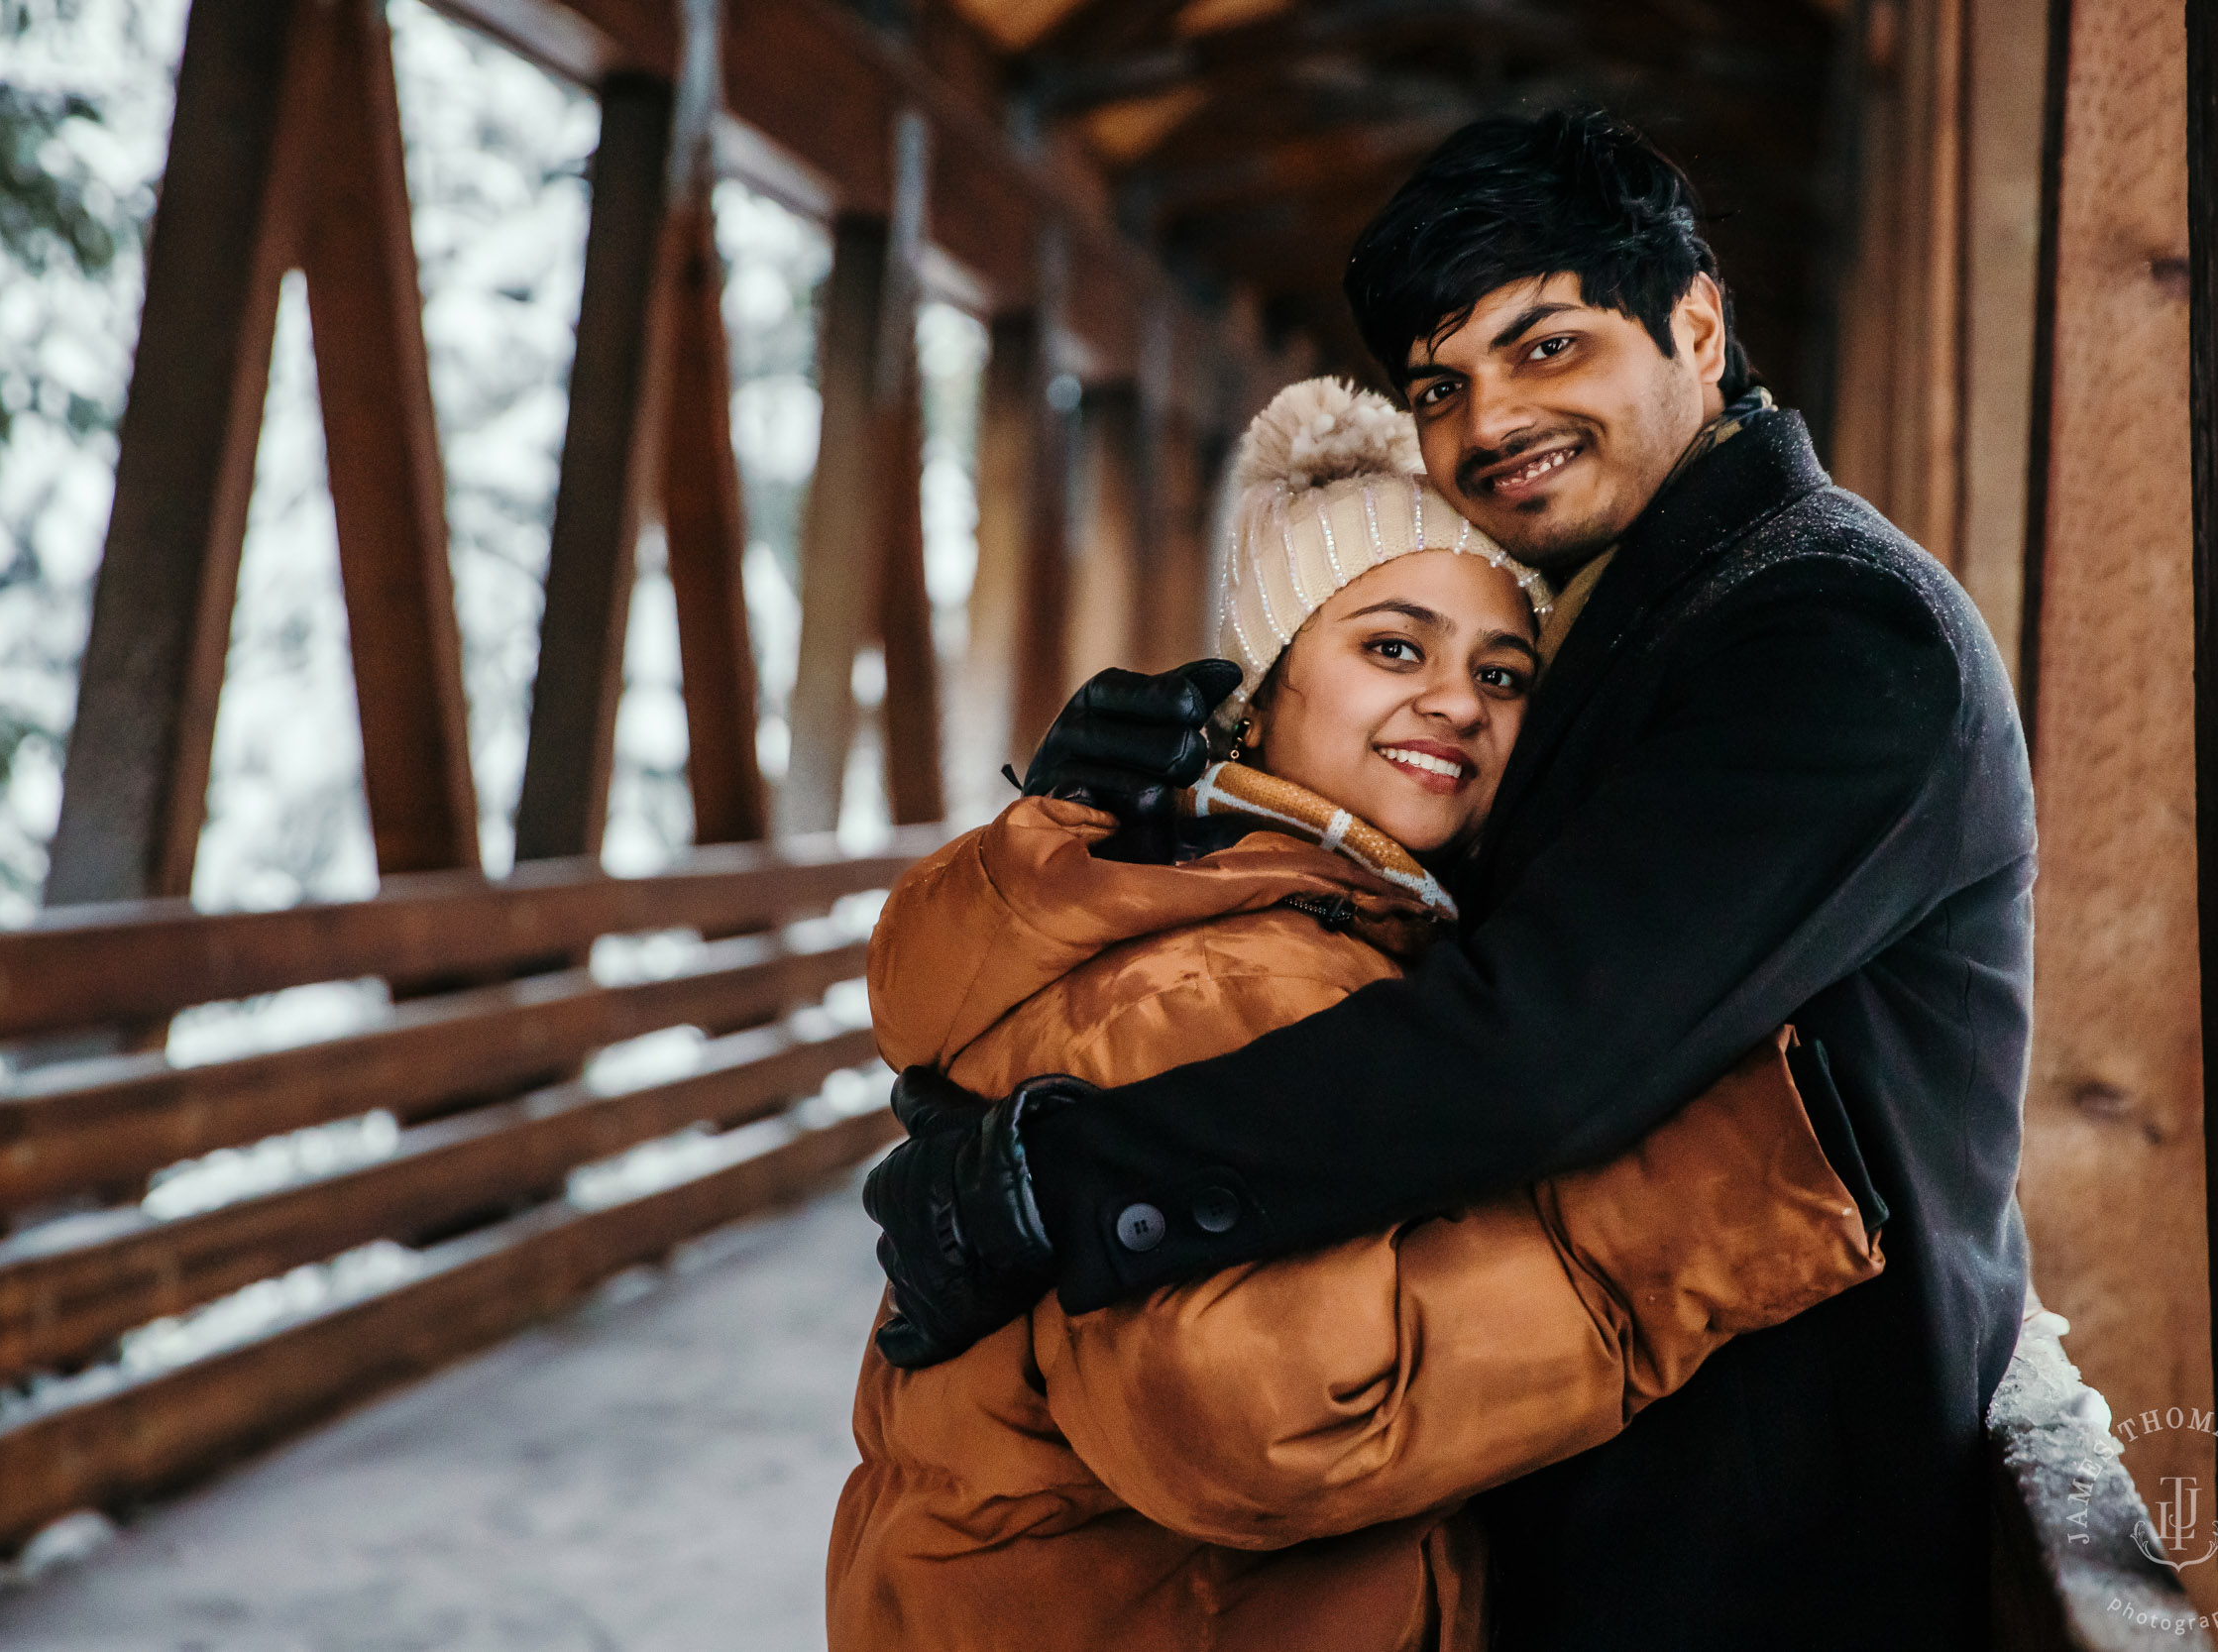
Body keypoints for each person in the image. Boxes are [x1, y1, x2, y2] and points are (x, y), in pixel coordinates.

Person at [862, 110, 2036, 1648]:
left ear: (1696, 320)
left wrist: (1066, 1179)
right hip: (1560, 1498)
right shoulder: (1620, 604)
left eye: (1544, 347)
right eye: (1442, 384)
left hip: (1755, 1537)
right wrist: (1141, 815)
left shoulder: (1831, 630)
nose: (1491, 420)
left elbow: (1533, 1046)